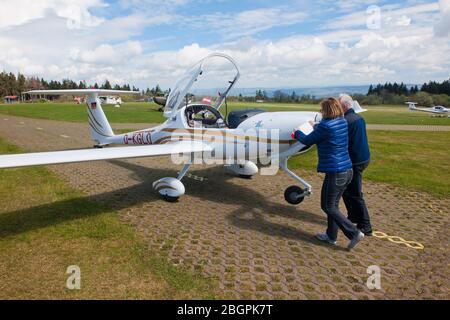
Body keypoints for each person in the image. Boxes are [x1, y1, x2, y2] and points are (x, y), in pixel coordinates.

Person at [293, 98, 364, 250]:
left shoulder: (325, 126)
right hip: (347, 171)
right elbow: (326, 129)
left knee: (327, 206)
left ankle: (354, 233)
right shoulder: (342, 121)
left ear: (327, 111)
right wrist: (316, 125)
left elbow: (307, 140)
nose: (320, 112)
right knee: (333, 205)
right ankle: (331, 236)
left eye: (322, 109)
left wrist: (297, 131)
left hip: (336, 173)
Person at [338, 94, 372, 236]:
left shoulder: (346, 121)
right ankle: (352, 216)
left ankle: (366, 225)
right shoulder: (358, 118)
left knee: (355, 194)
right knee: (346, 190)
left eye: (338, 106)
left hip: (355, 162)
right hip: (363, 158)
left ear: (344, 106)